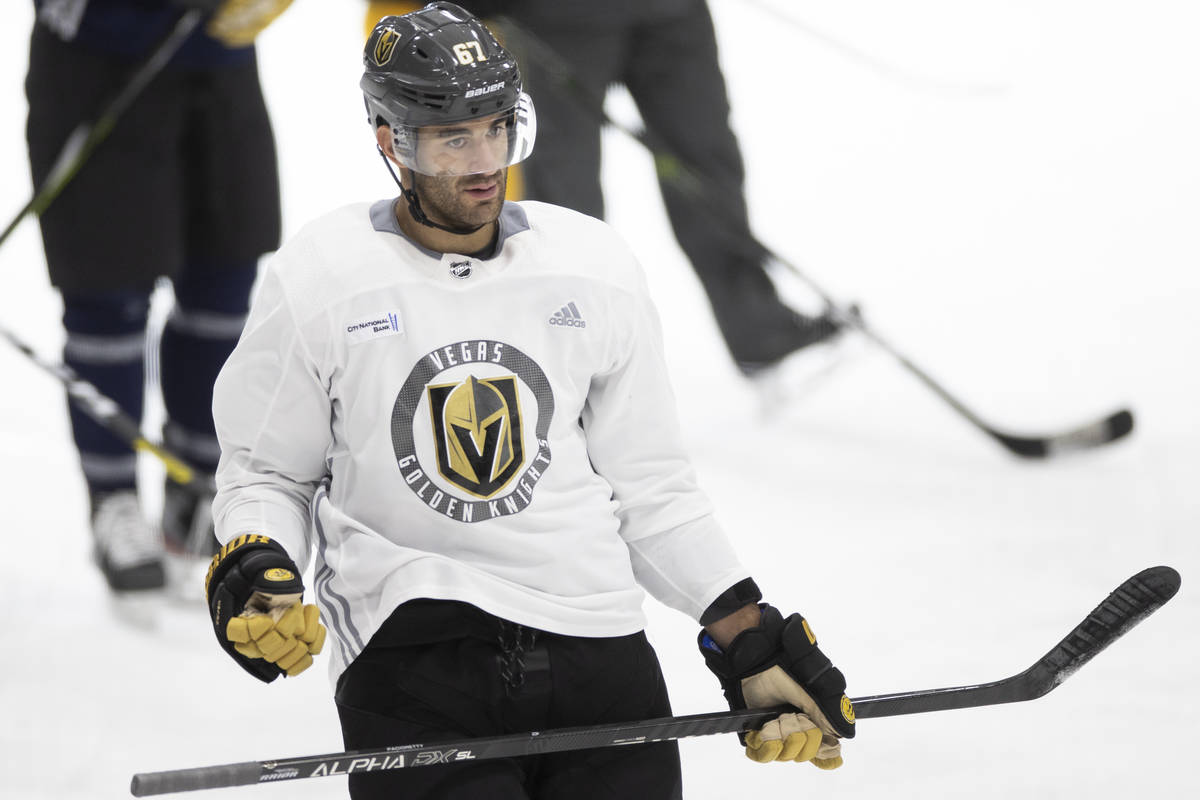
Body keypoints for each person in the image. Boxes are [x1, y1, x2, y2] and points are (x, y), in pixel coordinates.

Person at [203, 5, 855, 798]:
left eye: (497, 128)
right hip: (416, 662)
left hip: (600, 654)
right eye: (454, 138)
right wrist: (259, 564)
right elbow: (266, 473)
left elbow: (652, 490)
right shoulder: (322, 279)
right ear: (391, 141)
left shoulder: (591, 266)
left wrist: (748, 637)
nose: (486, 162)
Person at [362, 0, 843, 376]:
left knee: (707, 158)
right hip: (556, 17)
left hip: (670, 14)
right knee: (566, 194)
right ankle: (570, 351)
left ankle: (756, 325)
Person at [24, 0, 291, 592]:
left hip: (219, 60)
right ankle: (113, 500)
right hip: (97, 59)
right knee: (107, 295)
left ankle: (197, 485)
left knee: (224, 280)